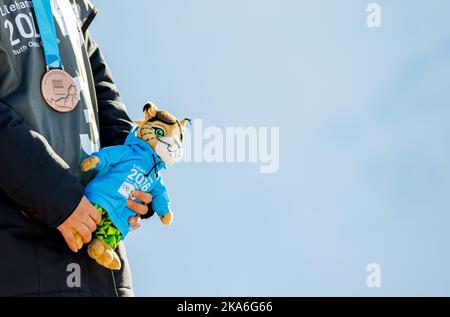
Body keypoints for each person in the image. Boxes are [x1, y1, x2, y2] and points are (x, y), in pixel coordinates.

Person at [0, 0, 153, 296]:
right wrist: (59, 198)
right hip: (21, 256)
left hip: (103, 266)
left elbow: (99, 90)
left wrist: (130, 172)